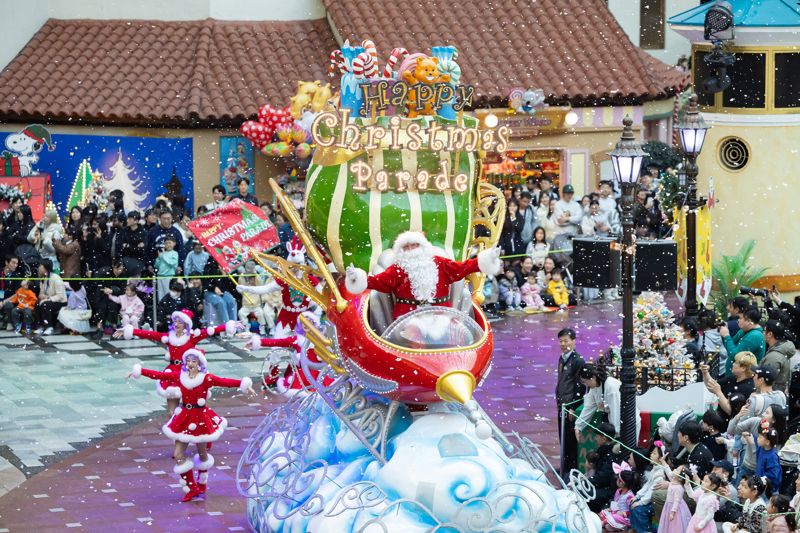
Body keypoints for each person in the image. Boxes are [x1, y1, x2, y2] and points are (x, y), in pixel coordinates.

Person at [127, 349, 254, 502]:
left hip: (201, 419)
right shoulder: (180, 377)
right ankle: (192, 488)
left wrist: (243, 384)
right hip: (184, 419)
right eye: (188, 360)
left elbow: (225, 382)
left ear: (200, 364)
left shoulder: (206, 378)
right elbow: (160, 375)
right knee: (179, 454)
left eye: (194, 361)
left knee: (202, 454)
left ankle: (202, 482)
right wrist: (139, 372)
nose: (190, 364)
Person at [344, 231, 502, 320]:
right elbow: (376, 282)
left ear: (423, 246)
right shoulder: (397, 270)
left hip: (442, 316)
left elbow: (465, 267)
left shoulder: (440, 263)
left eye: (415, 245)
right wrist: (355, 278)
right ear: (401, 251)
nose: (411, 249)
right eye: (407, 247)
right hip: (408, 318)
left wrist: (488, 258)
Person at [115, 309, 238, 414]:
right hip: (173, 372)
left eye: (180, 321)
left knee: (193, 405)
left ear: (186, 324)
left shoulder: (192, 336)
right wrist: (132, 331)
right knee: (172, 411)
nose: (176, 324)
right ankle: (176, 430)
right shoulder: (169, 337)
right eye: (175, 321)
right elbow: (151, 334)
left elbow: (209, 331)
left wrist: (227, 326)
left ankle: (193, 428)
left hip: (188, 371)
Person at [575, 363, 640, 441]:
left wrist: (617, 434)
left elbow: (617, 410)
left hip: (627, 425)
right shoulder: (594, 388)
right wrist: (578, 426)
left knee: (626, 451)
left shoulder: (611, 386)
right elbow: (588, 408)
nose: (585, 384)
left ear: (593, 377)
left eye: (585, 381)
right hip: (616, 426)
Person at [555, 327, 585, 477]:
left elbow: (579, 386)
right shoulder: (562, 358)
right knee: (563, 437)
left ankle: (571, 469)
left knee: (570, 439)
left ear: (573, 341)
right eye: (560, 341)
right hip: (562, 405)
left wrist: (573, 407)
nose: (563, 344)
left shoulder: (577, 361)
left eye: (566, 341)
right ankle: (564, 465)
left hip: (570, 407)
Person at [702, 351, 757, 419]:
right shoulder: (734, 378)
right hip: (718, 417)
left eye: (736, 362)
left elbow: (731, 412)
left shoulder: (747, 388)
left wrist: (718, 392)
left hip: (726, 425)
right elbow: (711, 385)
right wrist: (705, 373)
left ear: (743, 368)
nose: (733, 364)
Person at [721, 306, 766, 374]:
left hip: (742, 378)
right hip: (734, 376)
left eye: (740, 318)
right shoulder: (744, 330)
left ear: (748, 321)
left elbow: (735, 355)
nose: (738, 320)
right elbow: (729, 346)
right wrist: (724, 334)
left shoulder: (754, 336)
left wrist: (726, 336)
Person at [598, 465, 640, 531]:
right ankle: (610, 524)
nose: (616, 481)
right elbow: (616, 503)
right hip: (616, 512)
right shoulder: (618, 491)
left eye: (618, 479)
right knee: (603, 512)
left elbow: (631, 510)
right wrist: (611, 509)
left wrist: (624, 513)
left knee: (614, 517)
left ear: (622, 483)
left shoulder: (629, 496)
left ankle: (605, 523)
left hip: (624, 517)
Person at [743, 426, 781, 492]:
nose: (757, 438)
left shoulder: (772, 457)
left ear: (767, 442)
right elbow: (754, 439)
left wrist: (758, 481)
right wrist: (748, 434)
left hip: (767, 488)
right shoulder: (762, 447)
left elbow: (772, 475)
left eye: (760, 437)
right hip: (759, 481)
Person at [34, 258, 66, 335]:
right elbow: (41, 293)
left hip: (60, 302)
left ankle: (49, 326)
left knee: (45, 305)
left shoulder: (56, 278)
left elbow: (60, 296)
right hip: (49, 300)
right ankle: (41, 326)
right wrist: (42, 296)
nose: (39, 268)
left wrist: (48, 299)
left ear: (45, 267)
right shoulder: (43, 278)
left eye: (40, 266)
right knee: (37, 303)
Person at [761, 319, 795, 393]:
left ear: (770, 334)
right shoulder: (781, 349)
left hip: (770, 397)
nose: (762, 333)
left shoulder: (774, 357)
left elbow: (765, 382)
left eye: (764, 331)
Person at [657, 465, 692, 533]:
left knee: (676, 525)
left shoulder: (679, 488)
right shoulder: (673, 482)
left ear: (680, 478)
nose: (675, 469)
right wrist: (664, 463)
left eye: (677, 470)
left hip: (676, 510)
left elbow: (676, 501)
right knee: (668, 525)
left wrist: (673, 513)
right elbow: (669, 473)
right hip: (668, 506)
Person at [154, 235, 179, 301]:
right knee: (160, 295)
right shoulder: (162, 254)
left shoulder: (175, 253)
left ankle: (168, 308)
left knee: (168, 294)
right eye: (166, 243)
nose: (168, 245)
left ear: (174, 244)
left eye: (170, 243)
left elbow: (173, 264)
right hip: (160, 276)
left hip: (169, 276)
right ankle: (161, 308)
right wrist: (158, 258)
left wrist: (163, 257)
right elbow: (156, 265)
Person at [0, 255, 21, 329]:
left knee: (8, 305)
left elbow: (17, 294)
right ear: (6, 262)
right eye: (13, 263)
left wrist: (4, 301)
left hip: (10, 300)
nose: (15, 265)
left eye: (17, 263)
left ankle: (9, 321)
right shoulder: (1, 273)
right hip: (1, 297)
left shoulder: (17, 276)